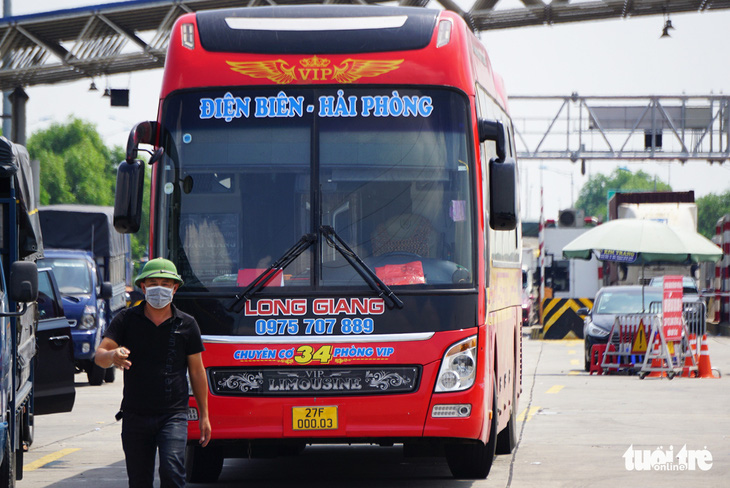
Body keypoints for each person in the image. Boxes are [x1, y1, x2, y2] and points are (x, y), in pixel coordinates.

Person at [95, 258, 211, 487]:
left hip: (173, 415)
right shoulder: (126, 320)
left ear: (175, 288)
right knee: (139, 480)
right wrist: (113, 355)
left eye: (166, 284)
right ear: (143, 287)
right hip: (135, 415)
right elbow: (99, 356)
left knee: (172, 471)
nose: (160, 288)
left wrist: (205, 416)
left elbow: (197, 372)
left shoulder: (187, 324)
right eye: (154, 282)